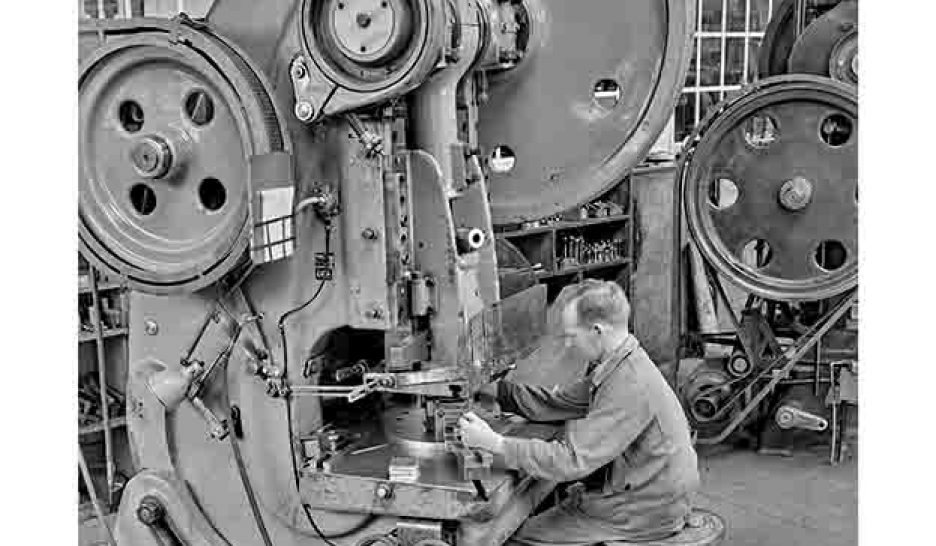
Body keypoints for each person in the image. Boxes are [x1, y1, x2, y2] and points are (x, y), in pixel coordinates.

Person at [458, 280, 699, 545]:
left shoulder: (629, 383)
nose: (569, 345)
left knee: (512, 537)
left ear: (597, 331)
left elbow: (570, 460)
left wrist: (495, 443)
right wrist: (498, 391)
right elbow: (557, 403)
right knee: (539, 498)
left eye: (572, 336)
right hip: (644, 490)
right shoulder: (619, 364)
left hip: (645, 510)